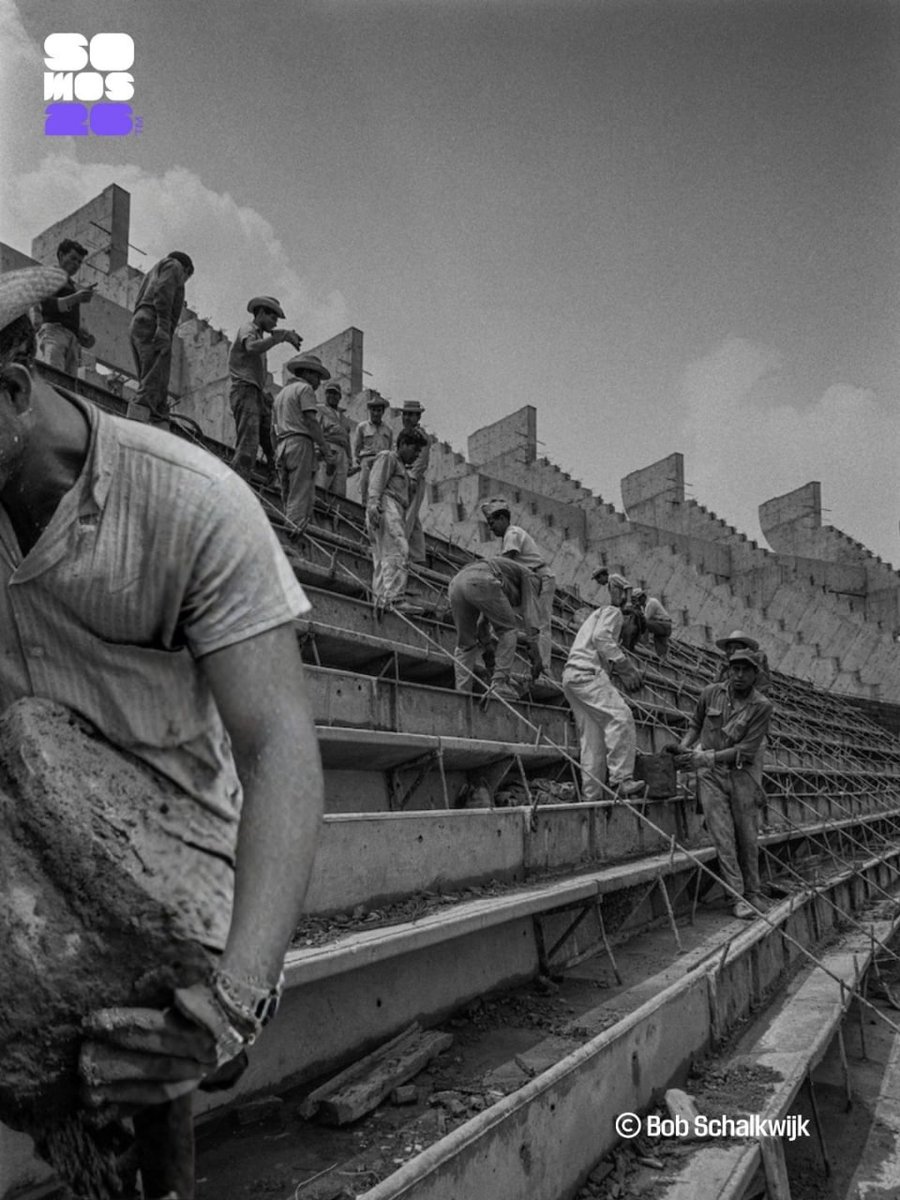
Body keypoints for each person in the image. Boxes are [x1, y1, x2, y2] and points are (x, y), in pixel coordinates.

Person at [0, 266, 324, 1199]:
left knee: (157, 1092)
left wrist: (236, 1001)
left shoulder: (191, 505)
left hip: (167, 876)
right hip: (30, 860)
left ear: (14, 392)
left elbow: (279, 747)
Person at [677, 649, 774, 919]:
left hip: (742, 775)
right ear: (728, 670)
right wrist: (684, 748)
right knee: (723, 836)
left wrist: (705, 757)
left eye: (745, 670)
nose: (739, 675)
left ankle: (752, 891)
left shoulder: (761, 706)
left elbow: (746, 750)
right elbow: (695, 725)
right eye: (735, 669)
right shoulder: (710, 693)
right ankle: (737, 897)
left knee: (747, 837)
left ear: (755, 674)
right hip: (710, 776)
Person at [562, 573, 645, 801]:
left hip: (573, 676)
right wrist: (626, 667)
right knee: (621, 717)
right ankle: (621, 779)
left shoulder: (596, 617)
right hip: (587, 673)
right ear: (631, 620)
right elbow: (602, 638)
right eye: (633, 632)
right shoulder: (614, 613)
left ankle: (592, 797)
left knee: (593, 742)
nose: (629, 638)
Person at [229, 296, 302, 484]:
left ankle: (274, 481)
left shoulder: (259, 335)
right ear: (261, 312)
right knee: (248, 444)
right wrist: (278, 338)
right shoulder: (248, 329)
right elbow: (251, 347)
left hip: (256, 393)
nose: (275, 323)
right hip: (245, 390)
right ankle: (238, 483)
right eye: (273, 317)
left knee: (271, 442)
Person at [481, 498, 556, 682]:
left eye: (492, 523)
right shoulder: (508, 536)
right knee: (530, 622)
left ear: (502, 518)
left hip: (541, 577)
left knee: (542, 624)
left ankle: (545, 668)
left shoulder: (512, 533)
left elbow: (506, 561)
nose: (491, 528)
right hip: (529, 579)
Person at [448, 557, 543, 700]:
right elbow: (531, 614)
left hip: (456, 583)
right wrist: (535, 649)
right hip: (481, 580)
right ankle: (500, 683)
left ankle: (462, 693)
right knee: (509, 630)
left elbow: (482, 624)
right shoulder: (533, 578)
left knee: (465, 644)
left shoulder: (507, 577)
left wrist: (488, 648)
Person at [273, 353, 335, 539]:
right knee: (300, 494)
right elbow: (311, 421)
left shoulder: (280, 395)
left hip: (282, 445)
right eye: (317, 376)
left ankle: (288, 530)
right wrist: (326, 451)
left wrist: (275, 451)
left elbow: (272, 429)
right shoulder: (305, 389)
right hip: (300, 444)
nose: (319, 382)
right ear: (307, 373)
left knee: (288, 495)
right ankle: (293, 536)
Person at [129, 251, 194, 419]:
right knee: (154, 376)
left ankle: (157, 412)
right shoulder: (174, 266)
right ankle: (141, 415)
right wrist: (163, 326)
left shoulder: (154, 271)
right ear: (186, 270)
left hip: (141, 321)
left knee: (150, 376)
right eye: (187, 278)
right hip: (153, 321)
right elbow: (164, 291)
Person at [366, 431, 423, 613]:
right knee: (398, 549)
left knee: (382, 557)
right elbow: (376, 481)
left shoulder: (401, 467)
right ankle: (394, 599)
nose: (417, 455)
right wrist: (373, 503)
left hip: (391, 507)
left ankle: (381, 599)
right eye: (415, 449)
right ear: (403, 444)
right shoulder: (388, 457)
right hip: (387, 505)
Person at [35, 239, 96, 375]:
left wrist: (81, 334)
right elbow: (45, 304)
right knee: (54, 377)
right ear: (61, 255)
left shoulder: (70, 285)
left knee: (67, 385)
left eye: (79, 262)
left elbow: (63, 315)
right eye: (73, 258)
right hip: (54, 334)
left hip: (71, 341)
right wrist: (76, 298)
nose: (76, 264)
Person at [399, 400, 431, 563]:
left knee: (407, 516)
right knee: (414, 519)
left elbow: (421, 461)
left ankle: (399, 551)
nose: (407, 417)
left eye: (411, 414)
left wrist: (412, 478)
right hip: (404, 475)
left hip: (413, 478)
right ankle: (418, 555)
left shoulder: (422, 436)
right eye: (405, 414)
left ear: (418, 417)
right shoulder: (405, 434)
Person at [352, 393, 393, 504]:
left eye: (379, 410)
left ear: (383, 412)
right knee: (365, 490)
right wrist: (359, 462)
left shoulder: (388, 430)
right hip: (366, 461)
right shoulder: (362, 427)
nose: (376, 413)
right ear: (369, 410)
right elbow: (357, 447)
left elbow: (389, 449)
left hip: (382, 462)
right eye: (373, 410)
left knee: (381, 492)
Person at [316, 380, 354, 496]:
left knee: (339, 491)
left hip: (342, 454)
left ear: (340, 396)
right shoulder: (320, 410)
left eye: (335, 393)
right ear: (325, 394)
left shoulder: (344, 418)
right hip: (328, 450)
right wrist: (317, 450)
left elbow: (347, 440)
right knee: (322, 485)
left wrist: (349, 459)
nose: (332, 396)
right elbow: (316, 431)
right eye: (329, 393)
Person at [622, 588, 673, 660]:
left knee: (642, 621)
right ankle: (663, 657)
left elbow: (644, 619)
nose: (638, 602)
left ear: (643, 597)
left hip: (664, 626)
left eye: (639, 600)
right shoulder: (645, 605)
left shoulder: (651, 603)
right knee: (659, 645)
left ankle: (644, 642)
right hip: (661, 626)